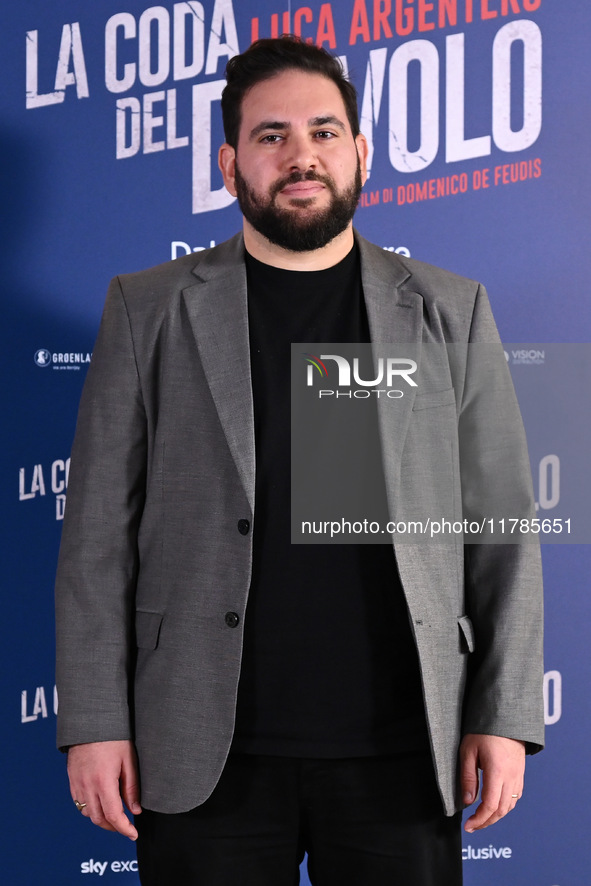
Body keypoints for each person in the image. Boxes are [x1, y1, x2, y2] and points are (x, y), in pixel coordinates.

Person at [55, 36, 544, 886]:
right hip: (203, 750)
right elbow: (97, 537)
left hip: (401, 751)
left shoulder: (448, 308)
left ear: (360, 152)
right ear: (229, 161)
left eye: (323, 131)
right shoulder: (147, 308)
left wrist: (503, 714)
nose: (300, 155)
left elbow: (500, 524)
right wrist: (94, 721)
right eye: (270, 135)